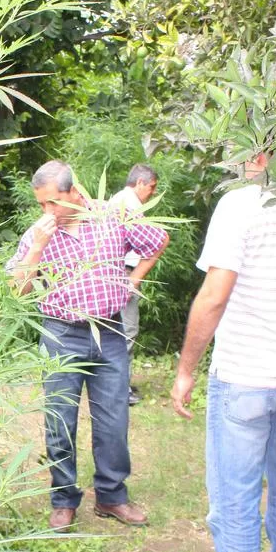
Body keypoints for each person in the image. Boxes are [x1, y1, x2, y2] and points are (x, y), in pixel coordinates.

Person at [171, 151, 276, 552]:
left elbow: (214, 295)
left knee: (236, 496)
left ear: (263, 152)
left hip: (246, 377)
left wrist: (185, 370)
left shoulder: (242, 204)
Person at [7, 159, 168, 531]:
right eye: (42, 204)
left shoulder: (112, 216)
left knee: (113, 420)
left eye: (54, 202)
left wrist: (133, 282)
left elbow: (157, 241)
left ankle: (112, 496)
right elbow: (17, 289)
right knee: (59, 421)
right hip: (62, 334)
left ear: (75, 191)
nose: (48, 211)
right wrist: (38, 248)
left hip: (109, 333)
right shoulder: (38, 234)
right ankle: (63, 500)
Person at [109, 164, 159, 405]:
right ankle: (120, 390)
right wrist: (134, 278)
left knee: (118, 331)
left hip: (116, 272)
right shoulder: (129, 203)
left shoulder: (119, 199)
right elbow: (151, 243)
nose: (152, 193)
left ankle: (118, 384)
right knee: (126, 332)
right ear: (140, 182)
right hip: (124, 273)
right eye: (151, 187)